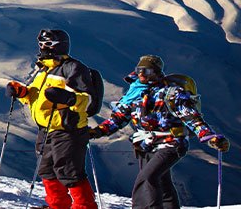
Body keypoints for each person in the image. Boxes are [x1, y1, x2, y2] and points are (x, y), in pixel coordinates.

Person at [89, 54, 229, 209]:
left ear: (157, 73)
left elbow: (191, 117)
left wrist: (210, 137)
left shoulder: (172, 94)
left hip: (172, 143)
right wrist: (96, 132)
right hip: (145, 144)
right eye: (139, 70)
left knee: (147, 178)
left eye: (147, 71)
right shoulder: (134, 94)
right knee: (161, 182)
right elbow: (119, 119)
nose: (142, 74)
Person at [5, 29, 99, 209]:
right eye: (41, 43)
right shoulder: (43, 69)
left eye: (47, 44)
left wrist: (69, 98)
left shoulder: (73, 68)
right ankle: (58, 205)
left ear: (59, 45)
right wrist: (21, 92)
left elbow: (89, 100)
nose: (42, 47)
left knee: (70, 171)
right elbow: (35, 97)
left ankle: (84, 206)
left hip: (68, 129)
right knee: (47, 170)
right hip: (46, 128)